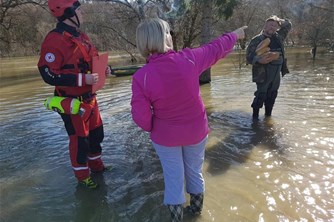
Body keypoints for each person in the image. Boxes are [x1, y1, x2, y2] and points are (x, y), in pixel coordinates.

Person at [131, 18, 246, 222]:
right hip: (196, 132)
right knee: (194, 171)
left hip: (165, 136)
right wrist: (235, 34)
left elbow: (141, 118)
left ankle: (177, 219)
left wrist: (153, 126)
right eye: (168, 32)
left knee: (173, 178)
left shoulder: (142, 76)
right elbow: (216, 48)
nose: (171, 36)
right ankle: (196, 213)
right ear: (164, 38)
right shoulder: (189, 59)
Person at [37, 0, 112, 189]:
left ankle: (97, 168)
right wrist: (81, 80)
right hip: (73, 103)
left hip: (90, 99)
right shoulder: (54, 39)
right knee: (80, 142)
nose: (83, 12)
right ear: (69, 12)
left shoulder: (82, 36)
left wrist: (104, 69)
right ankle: (83, 179)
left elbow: (91, 61)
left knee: (96, 135)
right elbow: (48, 74)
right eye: (80, 9)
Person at [246, 15, 292, 119]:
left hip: (277, 71)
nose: (272, 27)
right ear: (265, 26)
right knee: (261, 94)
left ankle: (268, 117)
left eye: (275, 26)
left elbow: (288, 24)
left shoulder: (279, 36)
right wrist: (259, 60)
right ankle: (255, 119)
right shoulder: (256, 40)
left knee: (272, 94)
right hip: (263, 71)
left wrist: (278, 20)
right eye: (270, 25)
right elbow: (248, 57)